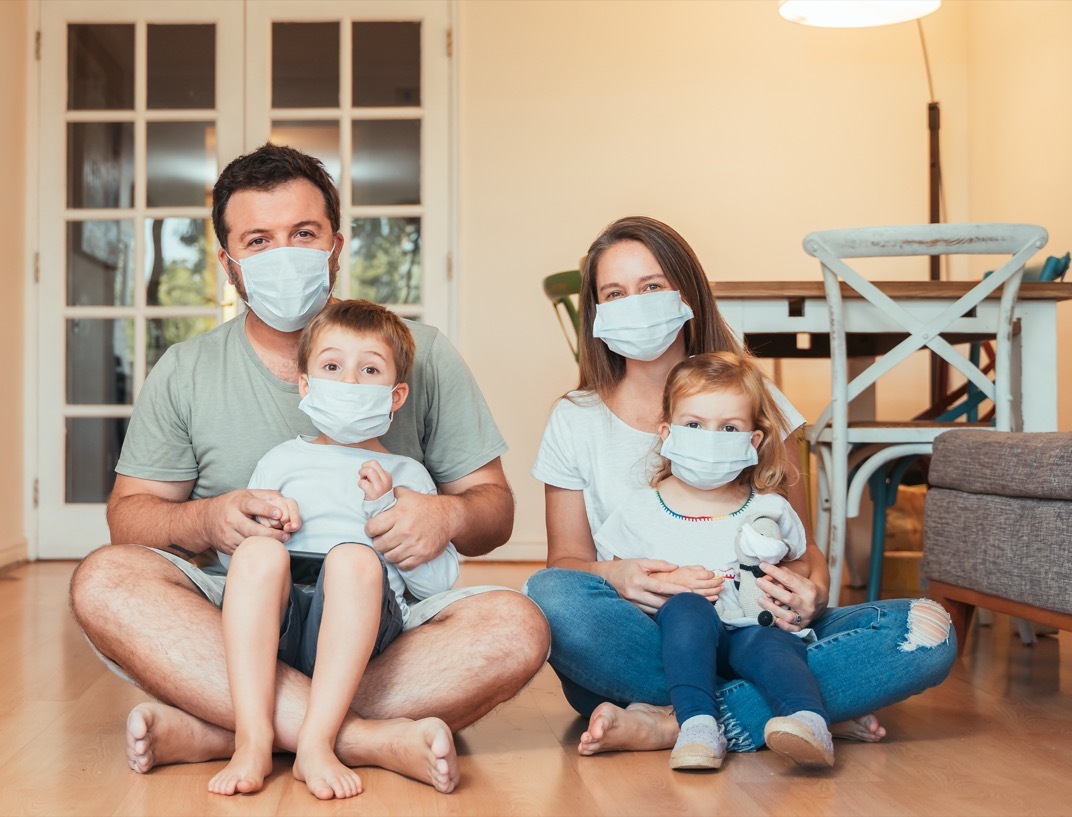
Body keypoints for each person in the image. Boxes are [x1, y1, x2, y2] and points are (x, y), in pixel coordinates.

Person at [68, 143, 549, 788]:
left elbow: (494, 511)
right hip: (237, 612)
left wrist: (446, 514)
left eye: (303, 233)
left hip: (378, 614)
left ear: (336, 245)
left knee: (516, 628)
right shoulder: (186, 370)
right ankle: (356, 739)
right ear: (228, 263)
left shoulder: (421, 355)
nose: (284, 254)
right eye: (258, 240)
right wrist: (210, 520)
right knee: (104, 580)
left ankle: (231, 727)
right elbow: (128, 521)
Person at [524, 216, 956, 759]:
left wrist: (813, 590)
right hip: (647, 638)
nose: (634, 303)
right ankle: (798, 705)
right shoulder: (575, 418)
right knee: (549, 597)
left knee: (928, 631)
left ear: (687, 295)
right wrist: (618, 574)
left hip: (761, 627)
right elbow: (565, 563)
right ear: (598, 312)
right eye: (615, 293)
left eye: (652, 286)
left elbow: (804, 552)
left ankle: (680, 720)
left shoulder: (759, 404)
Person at [209, 299, 462, 797]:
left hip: (364, 629)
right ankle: (252, 736)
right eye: (331, 366)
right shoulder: (280, 461)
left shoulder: (408, 477)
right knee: (258, 556)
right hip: (282, 623)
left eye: (369, 369)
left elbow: (437, 584)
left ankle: (316, 742)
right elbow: (232, 565)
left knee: (351, 559)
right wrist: (262, 527)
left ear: (395, 395)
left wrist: (387, 511)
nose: (348, 382)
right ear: (306, 384)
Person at [596, 351, 832, 771]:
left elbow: (800, 570)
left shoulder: (772, 508)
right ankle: (699, 727)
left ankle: (809, 722)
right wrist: (671, 580)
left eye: (728, 428)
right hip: (677, 644)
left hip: (751, 630)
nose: (710, 437)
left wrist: (785, 596)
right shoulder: (637, 510)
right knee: (687, 609)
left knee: (773, 640)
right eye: (693, 425)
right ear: (666, 433)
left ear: (753, 441)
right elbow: (614, 592)